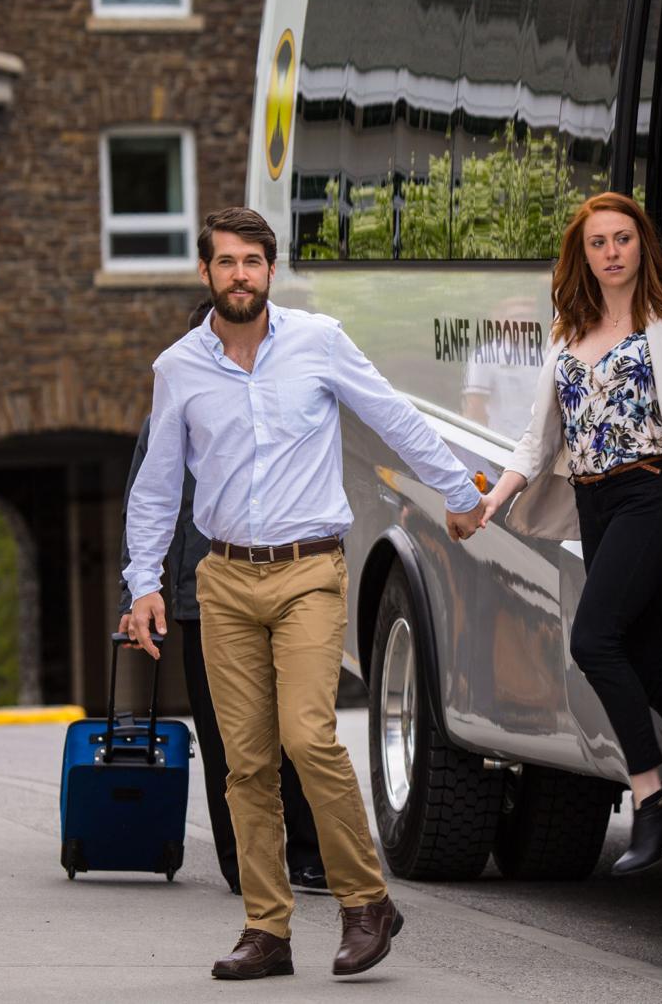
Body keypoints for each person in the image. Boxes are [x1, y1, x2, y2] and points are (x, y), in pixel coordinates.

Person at [123, 206, 484, 980]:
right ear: (207, 274)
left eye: (253, 262)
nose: (240, 275)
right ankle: (267, 930)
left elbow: (392, 416)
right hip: (221, 579)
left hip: (308, 571)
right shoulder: (177, 368)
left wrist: (459, 490)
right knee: (246, 764)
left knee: (307, 737)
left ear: (270, 271)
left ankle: (365, 903)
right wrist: (143, 585)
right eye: (226, 263)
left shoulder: (318, 343)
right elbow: (155, 489)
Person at [477, 192, 662, 875]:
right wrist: (498, 498)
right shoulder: (565, 332)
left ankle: (652, 797)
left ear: (643, 247)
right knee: (648, 662)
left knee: (593, 638)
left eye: (623, 239)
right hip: (593, 502)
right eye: (598, 243)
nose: (612, 252)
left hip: (652, 492)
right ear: (583, 256)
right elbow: (538, 436)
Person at [117, 405, 327, 896]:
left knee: (300, 724)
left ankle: (309, 853)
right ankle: (245, 863)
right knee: (226, 740)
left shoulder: (280, 395)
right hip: (203, 597)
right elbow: (143, 508)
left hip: (288, 585)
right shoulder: (168, 418)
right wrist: (136, 597)